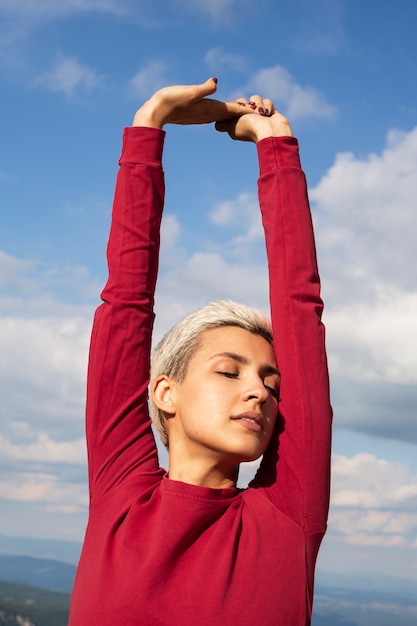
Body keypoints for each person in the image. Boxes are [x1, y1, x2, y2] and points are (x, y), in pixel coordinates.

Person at [68, 78, 332, 626]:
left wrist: (274, 139)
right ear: (164, 391)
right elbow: (125, 306)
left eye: (271, 381)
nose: (260, 390)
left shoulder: (287, 512)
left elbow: (300, 310)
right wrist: (151, 121)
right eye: (229, 371)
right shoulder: (121, 492)